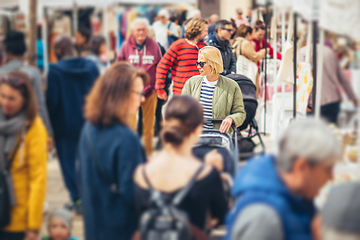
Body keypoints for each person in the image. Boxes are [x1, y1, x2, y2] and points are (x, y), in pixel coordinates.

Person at [225, 118, 342, 240]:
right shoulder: (264, 218)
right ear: (301, 167)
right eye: (327, 169)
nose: (331, 177)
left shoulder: (297, 195)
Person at [133, 95, 228, 234]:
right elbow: (220, 216)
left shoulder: (141, 173)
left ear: (165, 123)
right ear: (198, 129)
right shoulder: (206, 175)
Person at [78, 62, 148, 240]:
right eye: (139, 93)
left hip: (94, 226)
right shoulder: (126, 139)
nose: (143, 99)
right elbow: (134, 194)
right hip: (123, 229)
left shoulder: (88, 129)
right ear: (121, 94)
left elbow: (81, 177)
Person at [46, 35, 99, 213]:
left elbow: (52, 101)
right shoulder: (91, 67)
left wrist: (50, 125)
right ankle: (90, 196)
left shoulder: (55, 71)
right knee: (89, 159)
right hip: (90, 122)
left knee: (68, 162)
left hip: (64, 125)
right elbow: (100, 92)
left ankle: (76, 198)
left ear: (59, 50)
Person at [0, 71, 47, 240]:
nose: (5, 102)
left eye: (12, 98)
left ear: (25, 99)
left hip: (17, 218)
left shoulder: (34, 128)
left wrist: (33, 227)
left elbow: (37, 180)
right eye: (2, 96)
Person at [117, 18, 162, 156]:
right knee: (130, 124)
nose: (141, 32)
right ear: (133, 31)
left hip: (150, 92)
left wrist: (157, 86)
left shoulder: (155, 46)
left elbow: (160, 67)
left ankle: (147, 154)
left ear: (147, 31)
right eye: (138, 30)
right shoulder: (126, 46)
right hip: (130, 93)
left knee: (148, 126)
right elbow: (119, 65)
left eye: (143, 29)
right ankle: (132, 153)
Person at [0, 31, 53, 138]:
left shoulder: (1, 74)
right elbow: (40, 106)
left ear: (8, 53)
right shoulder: (33, 74)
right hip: (27, 131)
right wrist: (48, 133)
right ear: (24, 51)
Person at [182, 46, 246, 134]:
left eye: (201, 64)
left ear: (212, 63)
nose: (198, 67)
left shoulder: (232, 86)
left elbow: (240, 113)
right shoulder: (191, 83)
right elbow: (182, 109)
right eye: (197, 63)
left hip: (220, 137)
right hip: (194, 137)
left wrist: (231, 118)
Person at [298, 42, 357, 124]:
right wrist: (353, 97)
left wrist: (305, 102)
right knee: (331, 131)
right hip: (332, 98)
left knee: (313, 131)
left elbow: (302, 79)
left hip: (313, 100)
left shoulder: (303, 52)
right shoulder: (329, 52)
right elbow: (343, 79)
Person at [155, 18, 208, 100]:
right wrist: (160, 89)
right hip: (181, 94)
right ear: (198, 30)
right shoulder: (178, 45)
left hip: (201, 94)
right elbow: (162, 66)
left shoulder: (205, 47)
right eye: (205, 30)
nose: (206, 33)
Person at [233, 24, 268, 94]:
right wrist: (264, 51)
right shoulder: (245, 43)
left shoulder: (237, 42)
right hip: (247, 70)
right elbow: (255, 56)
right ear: (248, 34)